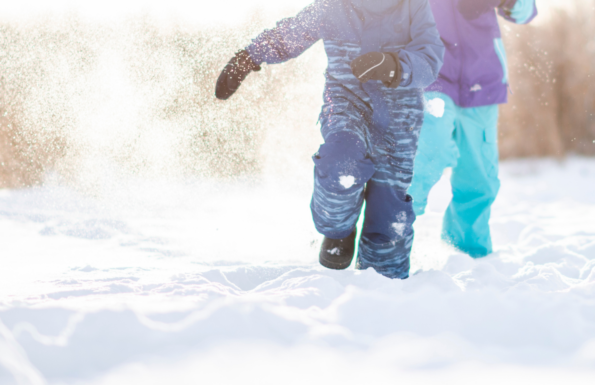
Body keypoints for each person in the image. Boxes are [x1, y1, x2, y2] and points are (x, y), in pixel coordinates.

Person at [215, 0, 444, 279]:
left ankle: (385, 286)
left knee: (388, 210)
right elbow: (291, 33)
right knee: (341, 164)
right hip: (347, 104)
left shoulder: (413, 6)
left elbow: (430, 57)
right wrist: (249, 57)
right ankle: (339, 230)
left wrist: (394, 65)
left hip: (400, 116)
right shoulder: (333, 6)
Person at [408, 0, 537, 258]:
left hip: (483, 78)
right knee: (429, 149)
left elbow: (526, 11)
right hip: (431, 72)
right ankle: (390, 233)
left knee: (478, 174)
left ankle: (468, 253)